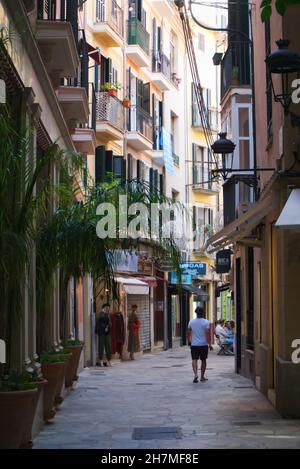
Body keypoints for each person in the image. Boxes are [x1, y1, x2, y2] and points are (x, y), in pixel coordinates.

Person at [187, 307, 211, 383]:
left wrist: (189, 341)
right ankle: (202, 376)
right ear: (203, 313)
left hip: (194, 344)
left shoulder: (191, 322)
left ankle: (195, 374)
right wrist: (209, 344)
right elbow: (208, 334)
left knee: (194, 359)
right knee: (203, 360)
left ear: (196, 313)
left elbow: (188, 332)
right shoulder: (206, 322)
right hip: (203, 344)